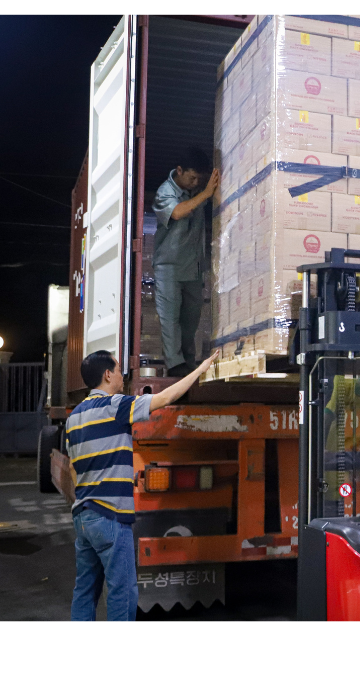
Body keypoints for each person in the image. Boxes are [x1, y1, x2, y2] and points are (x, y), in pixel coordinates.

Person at [67, 348, 219, 621]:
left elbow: (72, 467)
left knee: (85, 591)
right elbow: (166, 397)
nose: (122, 376)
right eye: (118, 370)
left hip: (83, 516)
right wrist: (201, 369)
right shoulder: (116, 406)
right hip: (110, 516)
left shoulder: (74, 417)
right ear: (107, 374)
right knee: (122, 592)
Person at [152, 147, 220, 377]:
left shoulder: (197, 190)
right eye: (192, 178)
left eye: (199, 179)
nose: (195, 183)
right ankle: (175, 366)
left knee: (190, 321)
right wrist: (206, 193)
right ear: (179, 171)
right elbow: (178, 212)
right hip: (169, 267)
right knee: (170, 319)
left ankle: (188, 363)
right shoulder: (165, 191)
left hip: (193, 267)